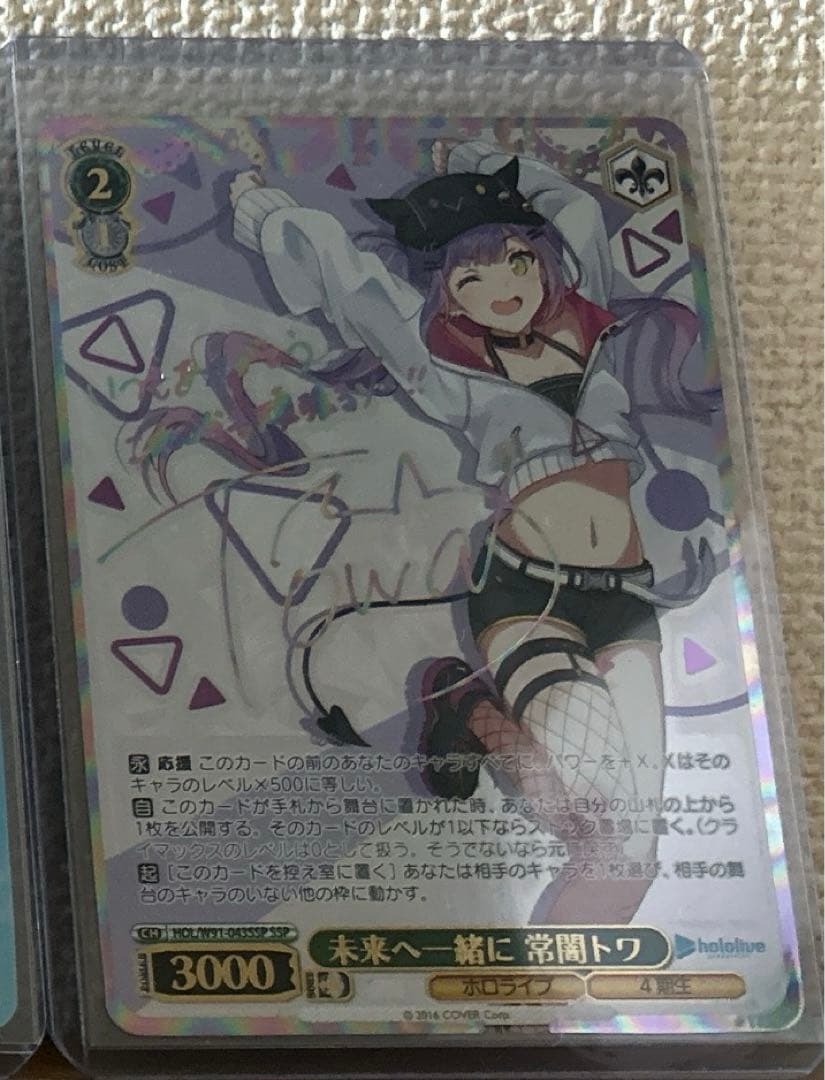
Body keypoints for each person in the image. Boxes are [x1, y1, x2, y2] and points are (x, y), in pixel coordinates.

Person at [151, 140, 713, 924]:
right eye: (469, 278)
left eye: (514, 262)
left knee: (633, 842)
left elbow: (579, 210)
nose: (501, 288)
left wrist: (484, 156)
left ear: (540, 258)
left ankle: (474, 716)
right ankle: (552, 990)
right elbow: (351, 286)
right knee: (610, 828)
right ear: (446, 292)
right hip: (530, 597)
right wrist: (262, 207)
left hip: (625, 597)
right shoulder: (438, 364)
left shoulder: (589, 318)